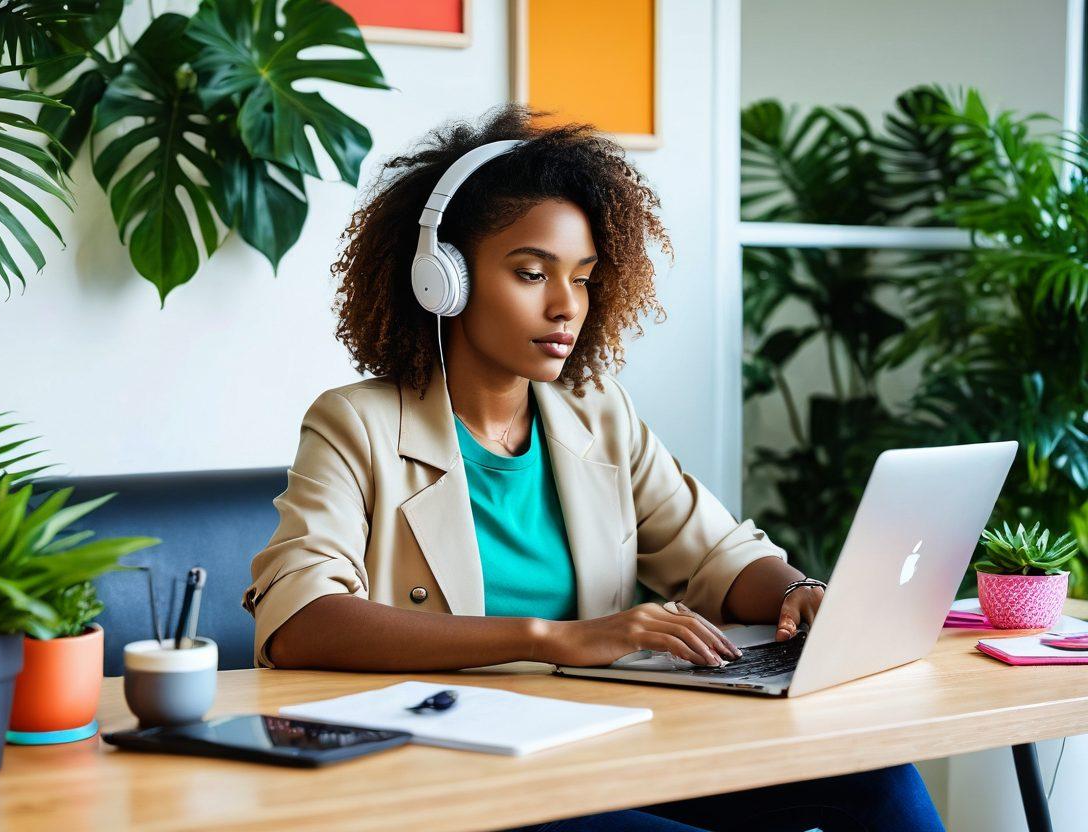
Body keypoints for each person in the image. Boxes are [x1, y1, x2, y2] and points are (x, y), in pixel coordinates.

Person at [242, 103, 944, 832]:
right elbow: (300, 621)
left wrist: (797, 590)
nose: (563, 307)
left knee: (878, 779)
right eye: (530, 272)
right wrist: (550, 638)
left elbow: (718, 556)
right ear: (440, 279)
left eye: (581, 278)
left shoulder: (596, 412)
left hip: (602, 747)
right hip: (458, 774)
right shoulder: (354, 423)